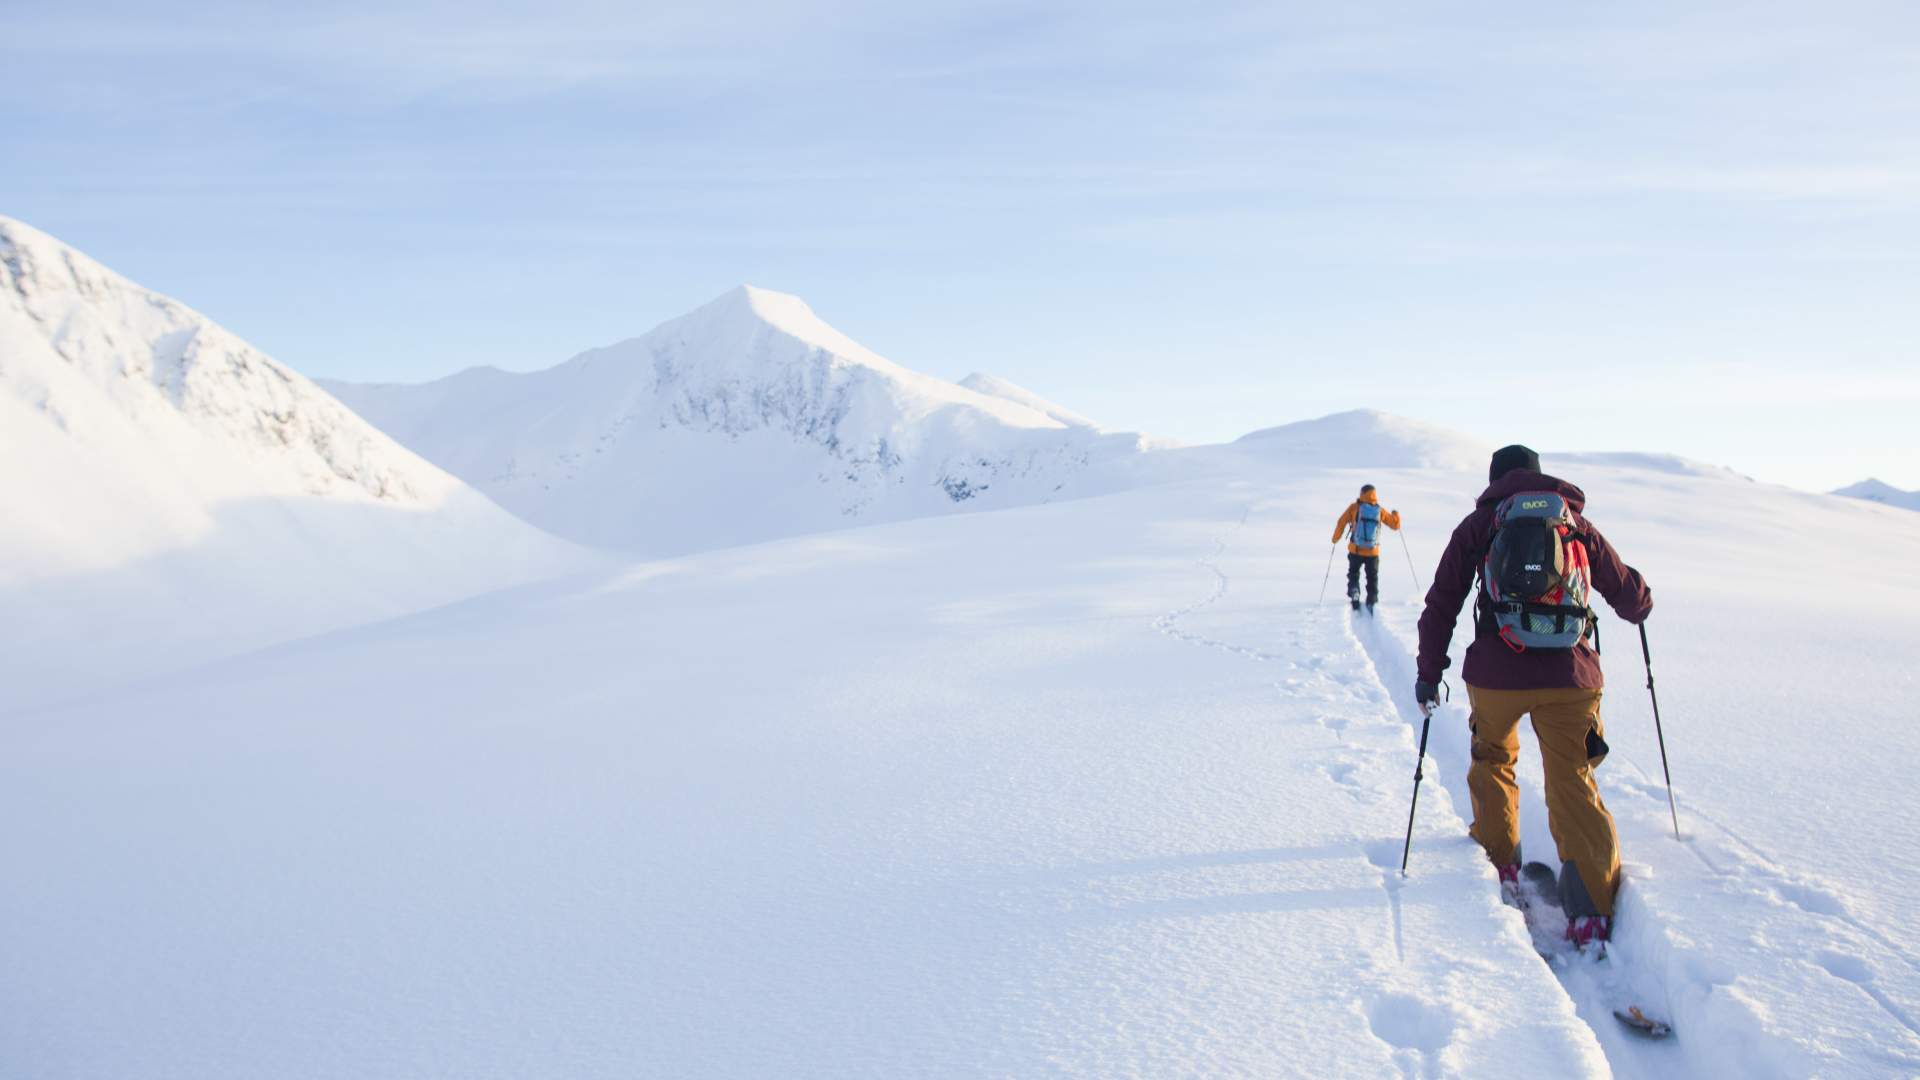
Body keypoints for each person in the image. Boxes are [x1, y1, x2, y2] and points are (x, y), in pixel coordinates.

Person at [1413, 445, 1653, 948]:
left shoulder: (1480, 524)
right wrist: (1641, 598)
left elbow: (1442, 602)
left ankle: (1500, 868)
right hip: (1571, 676)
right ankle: (1592, 908)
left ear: (1496, 480)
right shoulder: (1574, 523)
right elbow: (1631, 600)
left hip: (1497, 674)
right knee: (1572, 776)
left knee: (1494, 761)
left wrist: (1429, 673)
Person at [1330, 484, 1401, 612]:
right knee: (1372, 577)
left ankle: (1354, 592)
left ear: (1362, 493)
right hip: (1373, 552)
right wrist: (1396, 514)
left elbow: (1341, 522)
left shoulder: (1354, 507)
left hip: (1355, 550)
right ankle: (1372, 600)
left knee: (1353, 574)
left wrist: (1335, 538)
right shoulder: (1379, 510)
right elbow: (1395, 525)